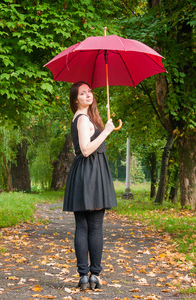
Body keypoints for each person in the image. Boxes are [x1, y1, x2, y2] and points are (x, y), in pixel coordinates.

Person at [63, 81, 118, 290]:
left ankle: (86, 276)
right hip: (91, 174)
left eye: (90, 91)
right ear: (76, 99)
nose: (88, 95)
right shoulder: (83, 119)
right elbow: (86, 149)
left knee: (84, 226)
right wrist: (106, 132)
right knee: (93, 226)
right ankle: (92, 274)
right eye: (82, 93)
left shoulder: (83, 118)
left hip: (86, 174)